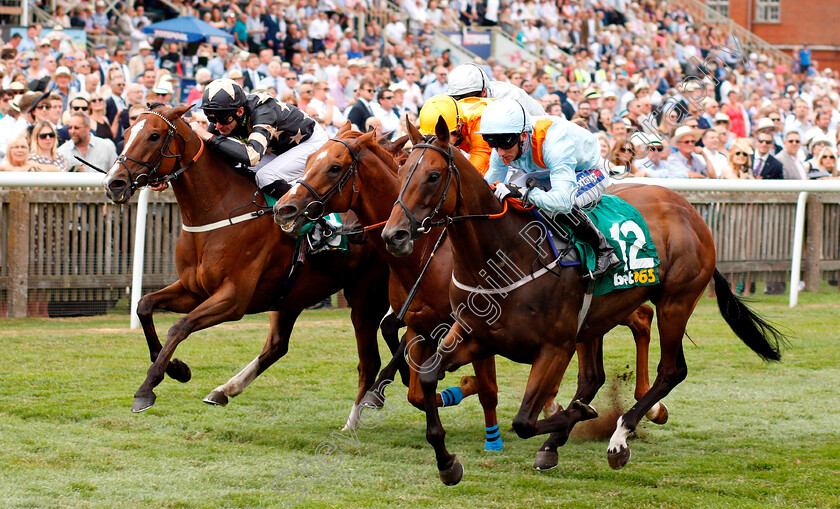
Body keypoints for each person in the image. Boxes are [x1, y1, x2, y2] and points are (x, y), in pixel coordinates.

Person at [478, 98, 619, 281]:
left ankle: (604, 250)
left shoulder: (553, 139)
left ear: (522, 135)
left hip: (589, 170)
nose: (500, 153)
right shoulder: (504, 143)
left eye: (504, 144)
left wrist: (523, 193)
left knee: (558, 204)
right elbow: (489, 188)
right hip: (545, 172)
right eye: (492, 144)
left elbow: (562, 202)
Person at [193, 78, 328, 200]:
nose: (217, 125)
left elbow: (252, 157)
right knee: (235, 167)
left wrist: (208, 136)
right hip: (279, 148)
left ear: (240, 111)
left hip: (309, 142)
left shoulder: (263, 110)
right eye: (211, 118)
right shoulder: (225, 114)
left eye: (223, 119)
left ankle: (313, 212)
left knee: (265, 177)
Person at [417, 94, 494, 174]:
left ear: (458, 127)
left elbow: (476, 170)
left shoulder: (477, 122)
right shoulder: (451, 119)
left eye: (443, 138)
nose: (439, 143)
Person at [446, 62, 545, 116]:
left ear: (483, 93)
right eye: (458, 98)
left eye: (467, 99)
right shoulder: (450, 100)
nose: (463, 103)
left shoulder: (511, 97)